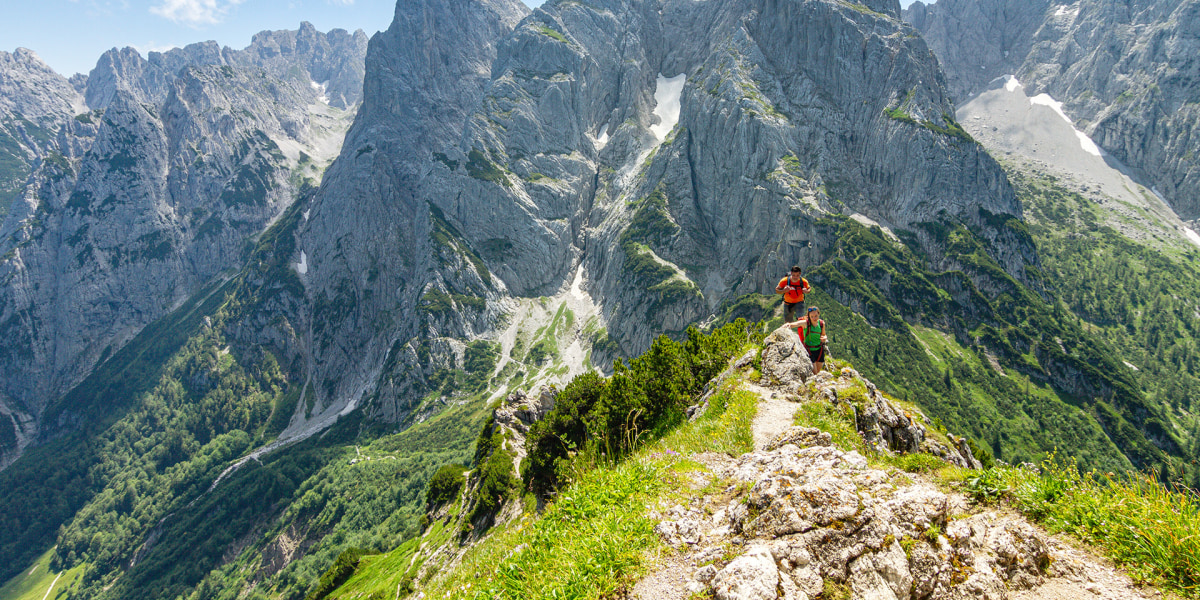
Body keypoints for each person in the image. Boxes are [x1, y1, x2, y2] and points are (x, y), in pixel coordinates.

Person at [787, 306, 827, 374]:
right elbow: (796, 324)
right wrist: (787, 325)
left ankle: (814, 384)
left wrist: (825, 338)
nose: (814, 318)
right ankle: (812, 384)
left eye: (816, 316)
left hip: (819, 350)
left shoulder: (821, 323)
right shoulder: (805, 323)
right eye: (812, 316)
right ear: (809, 316)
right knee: (814, 372)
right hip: (809, 351)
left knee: (818, 373)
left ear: (819, 314)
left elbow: (823, 334)